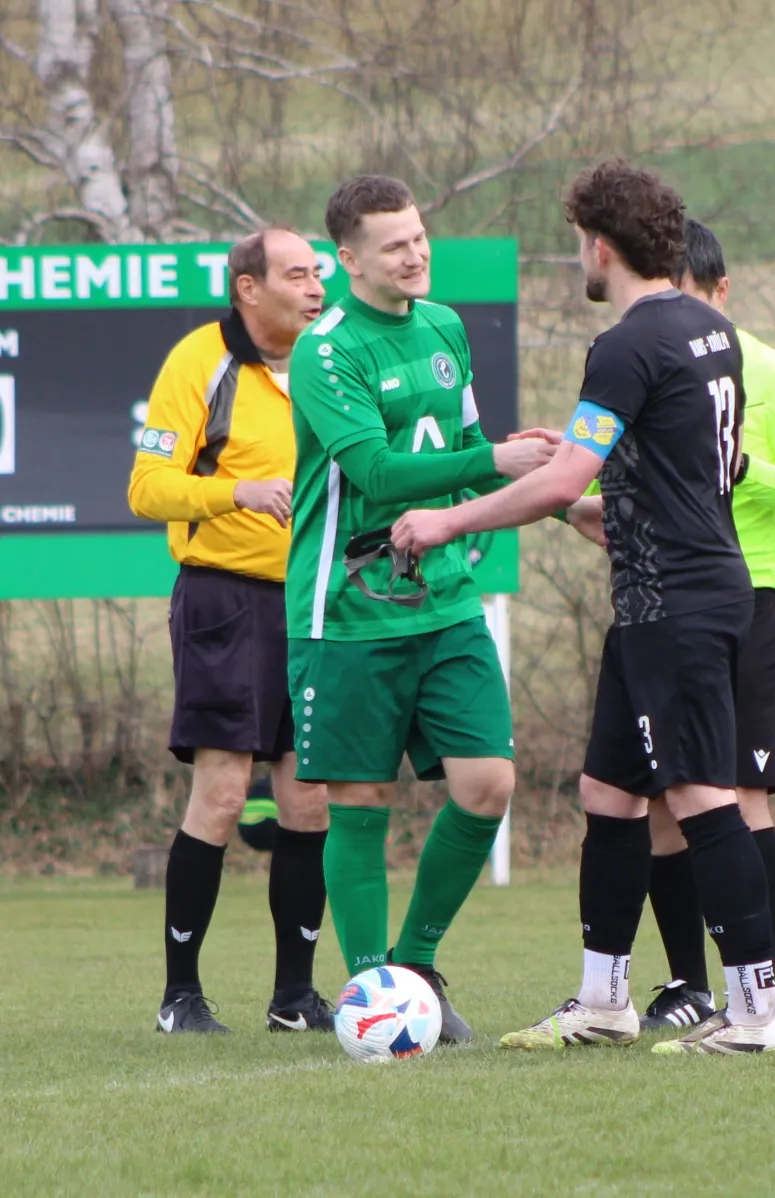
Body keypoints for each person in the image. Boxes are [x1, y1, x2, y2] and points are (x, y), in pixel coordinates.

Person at [392, 159, 775, 1055]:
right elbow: (668, 471)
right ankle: (603, 1000)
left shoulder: (626, 343)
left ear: (602, 246)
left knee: (702, 795)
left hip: (675, 603)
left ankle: (757, 1013)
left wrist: (447, 519)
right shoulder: (710, 329)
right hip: (679, 591)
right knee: (608, 794)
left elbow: (564, 475)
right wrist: (591, 499)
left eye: (580, 240)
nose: (580, 255)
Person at [285, 175, 556, 1043]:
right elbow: (374, 471)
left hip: (443, 600)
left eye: (419, 237)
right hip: (345, 610)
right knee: (360, 798)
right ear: (349, 258)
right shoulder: (325, 350)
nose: (415, 254)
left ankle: (414, 969)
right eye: (394, 244)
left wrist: (554, 493)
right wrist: (499, 460)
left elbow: (469, 450)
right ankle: (372, 989)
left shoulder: (444, 326)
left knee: (488, 785)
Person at [127, 226, 335, 1035]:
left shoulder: (330, 360)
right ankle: (180, 997)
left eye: (319, 274)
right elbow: (147, 488)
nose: (316, 288)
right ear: (249, 288)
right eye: (297, 274)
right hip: (224, 599)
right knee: (220, 794)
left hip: (315, 604)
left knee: (308, 799)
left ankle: (294, 1000)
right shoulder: (199, 361)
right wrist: (234, 493)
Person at [634, 220, 775, 1030]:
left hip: (747, 601)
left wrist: (744, 469)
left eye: (689, 297)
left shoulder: (769, 371)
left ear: (721, 292)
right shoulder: (640, 358)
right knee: (664, 801)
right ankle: (687, 987)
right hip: (661, 602)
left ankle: (755, 992)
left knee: (745, 795)